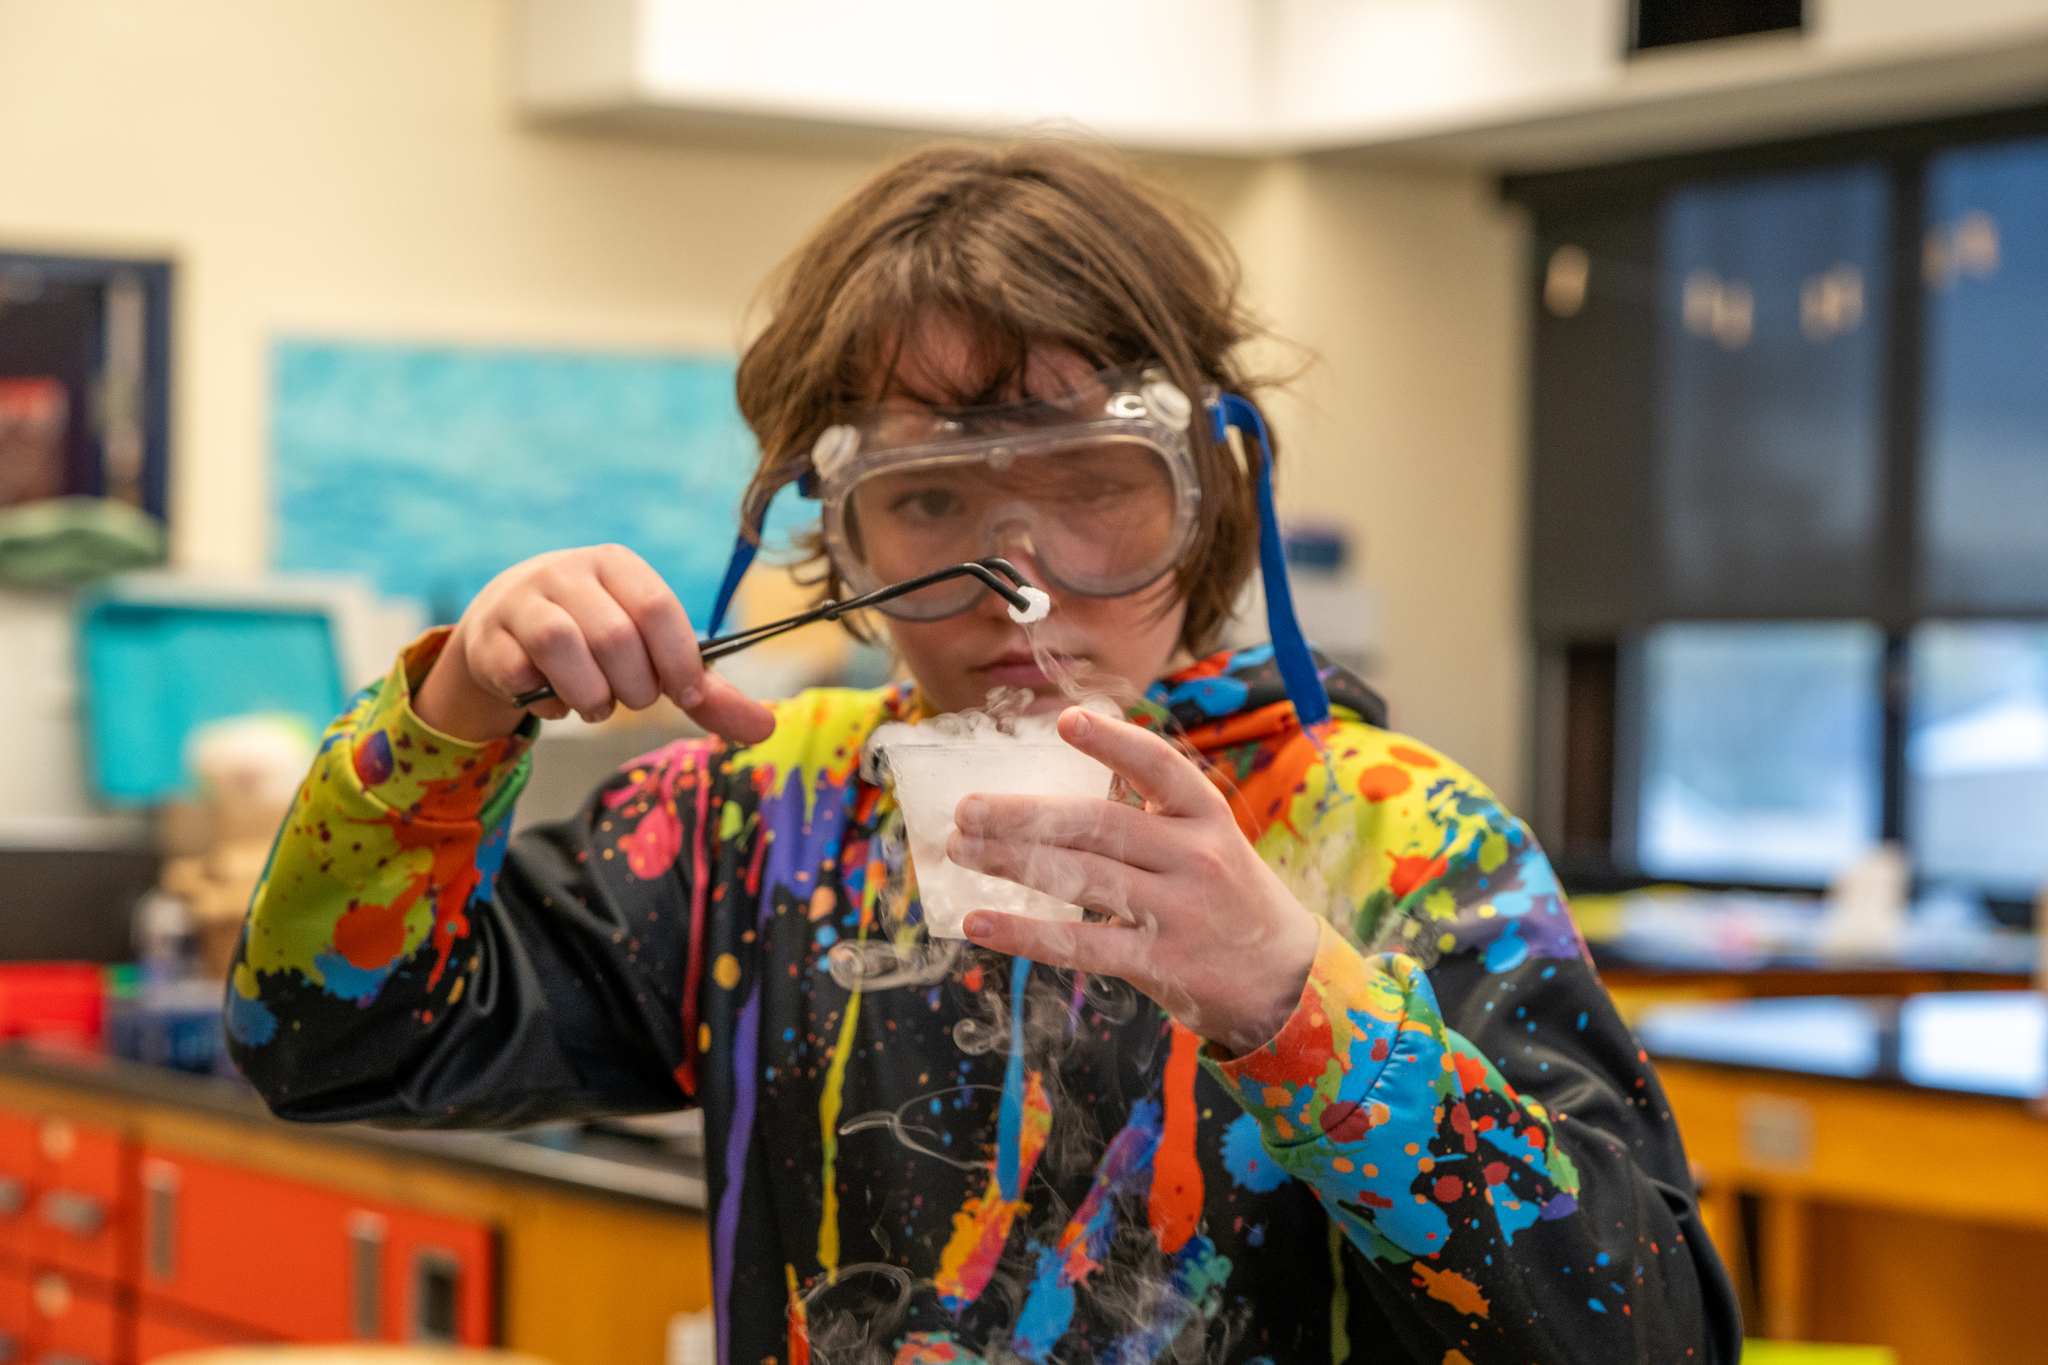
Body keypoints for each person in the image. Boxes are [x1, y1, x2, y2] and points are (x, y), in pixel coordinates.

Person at [228, 140, 1739, 1364]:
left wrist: (1300, 1002)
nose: (1019, 585)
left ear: (1207, 494)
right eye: (934, 504)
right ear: (840, 530)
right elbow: (330, 1041)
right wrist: (451, 719)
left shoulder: (1398, 844)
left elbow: (1648, 1334)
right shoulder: (763, 817)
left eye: (1094, 486)